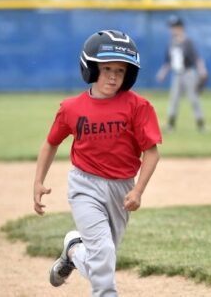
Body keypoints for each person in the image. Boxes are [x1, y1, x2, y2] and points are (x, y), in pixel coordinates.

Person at [32, 29, 161, 296]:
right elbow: (51, 143)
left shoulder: (138, 107)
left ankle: (73, 249)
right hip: (84, 185)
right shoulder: (71, 108)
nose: (113, 76)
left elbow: (151, 153)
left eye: (121, 71)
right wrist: (38, 181)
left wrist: (138, 190)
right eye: (107, 69)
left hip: (122, 188)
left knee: (102, 258)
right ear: (90, 69)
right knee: (103, 253)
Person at [156, 15, 208, 132]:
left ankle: (201, 125)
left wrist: (202, 69)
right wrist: (162, 72)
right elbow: (168, 61)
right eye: (171, 27)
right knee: (174, 99)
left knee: (194, 99)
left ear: (181, 28)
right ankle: (171, 125)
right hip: (177, 75)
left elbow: (197, 58)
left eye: (175, 27)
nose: (172, 29)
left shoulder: (188, 42)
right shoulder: (171, 43)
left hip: (189, 73)